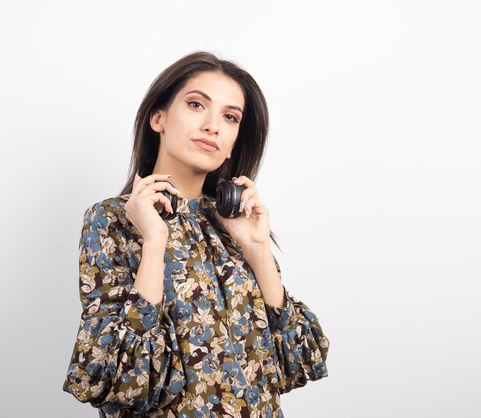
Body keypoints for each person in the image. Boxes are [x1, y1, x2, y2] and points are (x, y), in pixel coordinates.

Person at [62, 51, 330, 418]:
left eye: (230, 117)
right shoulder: (111, 220)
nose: (212, 126)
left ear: (234, 141)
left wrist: (257, 248)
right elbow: (119, 379)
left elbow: (298, 360)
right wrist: (155, 242)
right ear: (158, 118)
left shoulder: (235, 225)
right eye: (195, 104)